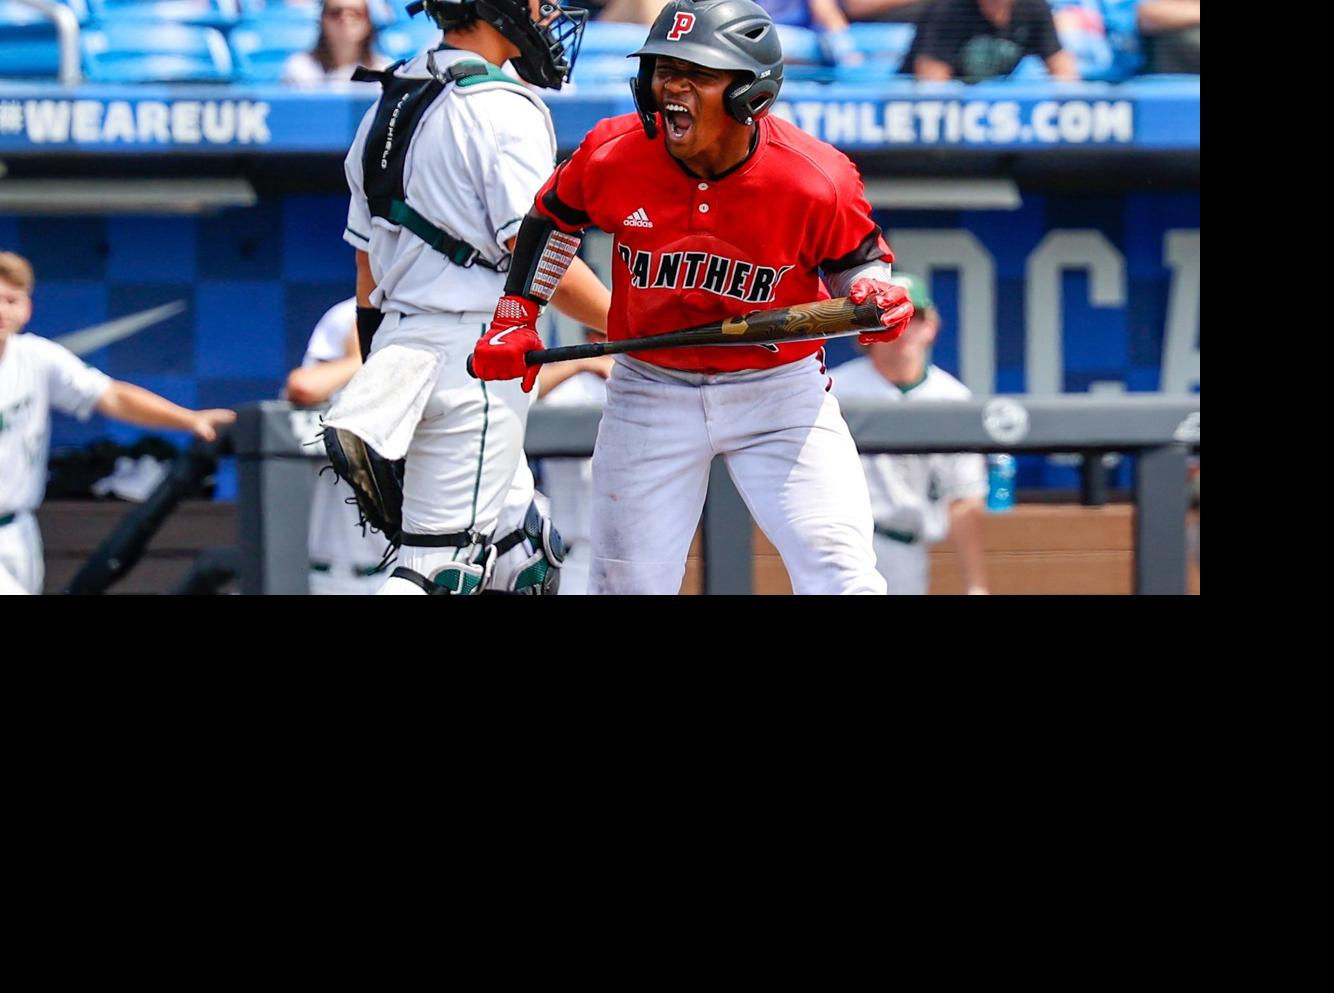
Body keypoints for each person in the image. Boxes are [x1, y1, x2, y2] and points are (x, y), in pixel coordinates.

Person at [470, 0, 915, 595]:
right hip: (651, 385)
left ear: (751, 94)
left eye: (698, 74)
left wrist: (869, 290)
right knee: (625, 585)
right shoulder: (614, 151)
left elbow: (855, 261)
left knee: (841, 572)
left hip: (777, 392)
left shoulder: (813, 175)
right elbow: (553, 220)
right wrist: (516, 315)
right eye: (665, 69)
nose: (673, 87)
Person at [324, 0, 612, 595]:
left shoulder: (391, 98)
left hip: (406, 347)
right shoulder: (501, 104)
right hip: (476, 352)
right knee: (438, 569)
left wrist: (386, 373)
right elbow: (539, 255)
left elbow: (365, 269)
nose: (548, 12)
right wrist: (631, 325)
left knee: (522, 553)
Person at [0, 251, 235, 596]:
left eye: (11, 300)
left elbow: (111, 396)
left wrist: (190, 419)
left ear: (27, 308)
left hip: (18, 529)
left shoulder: (35, 357)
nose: (3, 310)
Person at [827, 272, 989, 595]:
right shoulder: (832, 389)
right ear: (866, 332)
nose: (904, 329)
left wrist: (976, 585)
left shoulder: (952, 398)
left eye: (915, 318)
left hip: (905, 544)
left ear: (932, 327)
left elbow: (964, 499)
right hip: (840, 543)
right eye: (890, 318)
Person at [284, 298, 393, 594]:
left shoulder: (435, 312)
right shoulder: (348, 315)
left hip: (400, 568)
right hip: (329, 574)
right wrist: (366, 356)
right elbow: (303, 387)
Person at [529, 327, 612, 596]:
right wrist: (580, 363)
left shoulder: (642, 384)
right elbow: (528, 391)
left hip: (629, 543)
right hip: (572, 545)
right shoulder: (574, 384)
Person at [903, 0, 1077, 82]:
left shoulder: (1033, 8)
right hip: (940, 111)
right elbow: (932, 82)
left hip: (996, 109)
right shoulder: (948, 9)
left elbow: (1061, 66)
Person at [281, 0, 395, 87]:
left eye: (356, 13)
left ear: (369, 22)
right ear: (322, 20)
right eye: (336, 13)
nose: (346, 19)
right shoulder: (299, 68)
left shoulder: (384, 71)